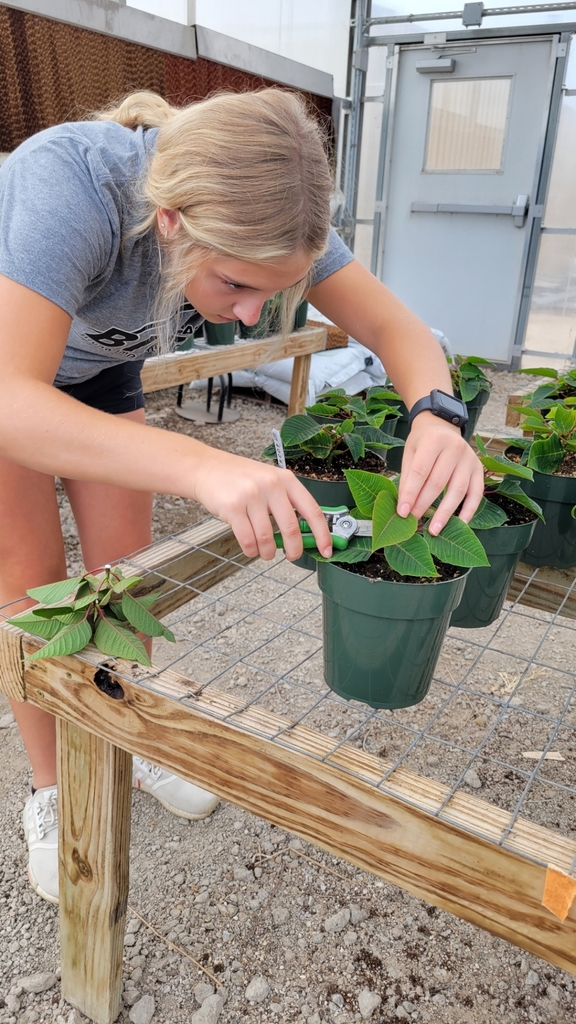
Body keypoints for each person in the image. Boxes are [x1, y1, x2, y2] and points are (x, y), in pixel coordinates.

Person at [0, 89, 483, 904]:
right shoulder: (69, 185)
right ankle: (51, 788)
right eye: (234, 284)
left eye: (275, 292)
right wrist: (203, 466)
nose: (252, 313)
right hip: (9, 372)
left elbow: (398, 330)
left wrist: (438, 414)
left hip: (100, 366)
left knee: (124, 576)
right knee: (34, 580)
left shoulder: (274, 211)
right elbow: (12, 401)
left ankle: (127, 737)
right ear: (171, 221)